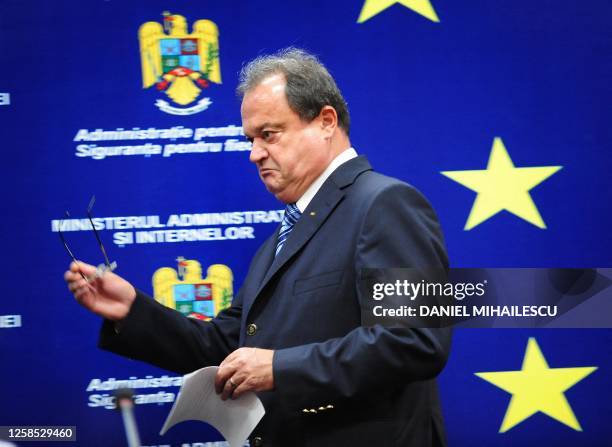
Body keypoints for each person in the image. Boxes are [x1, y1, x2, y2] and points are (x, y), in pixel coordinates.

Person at [65, 48, 451, 446]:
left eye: (269, 134)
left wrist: (280, 368)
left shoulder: (387, 203)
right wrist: (131, 309)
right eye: (251, 139)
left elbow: (415, 340)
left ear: (325, 121)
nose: (254, 154)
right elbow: (225, 348)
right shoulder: (281, 240)